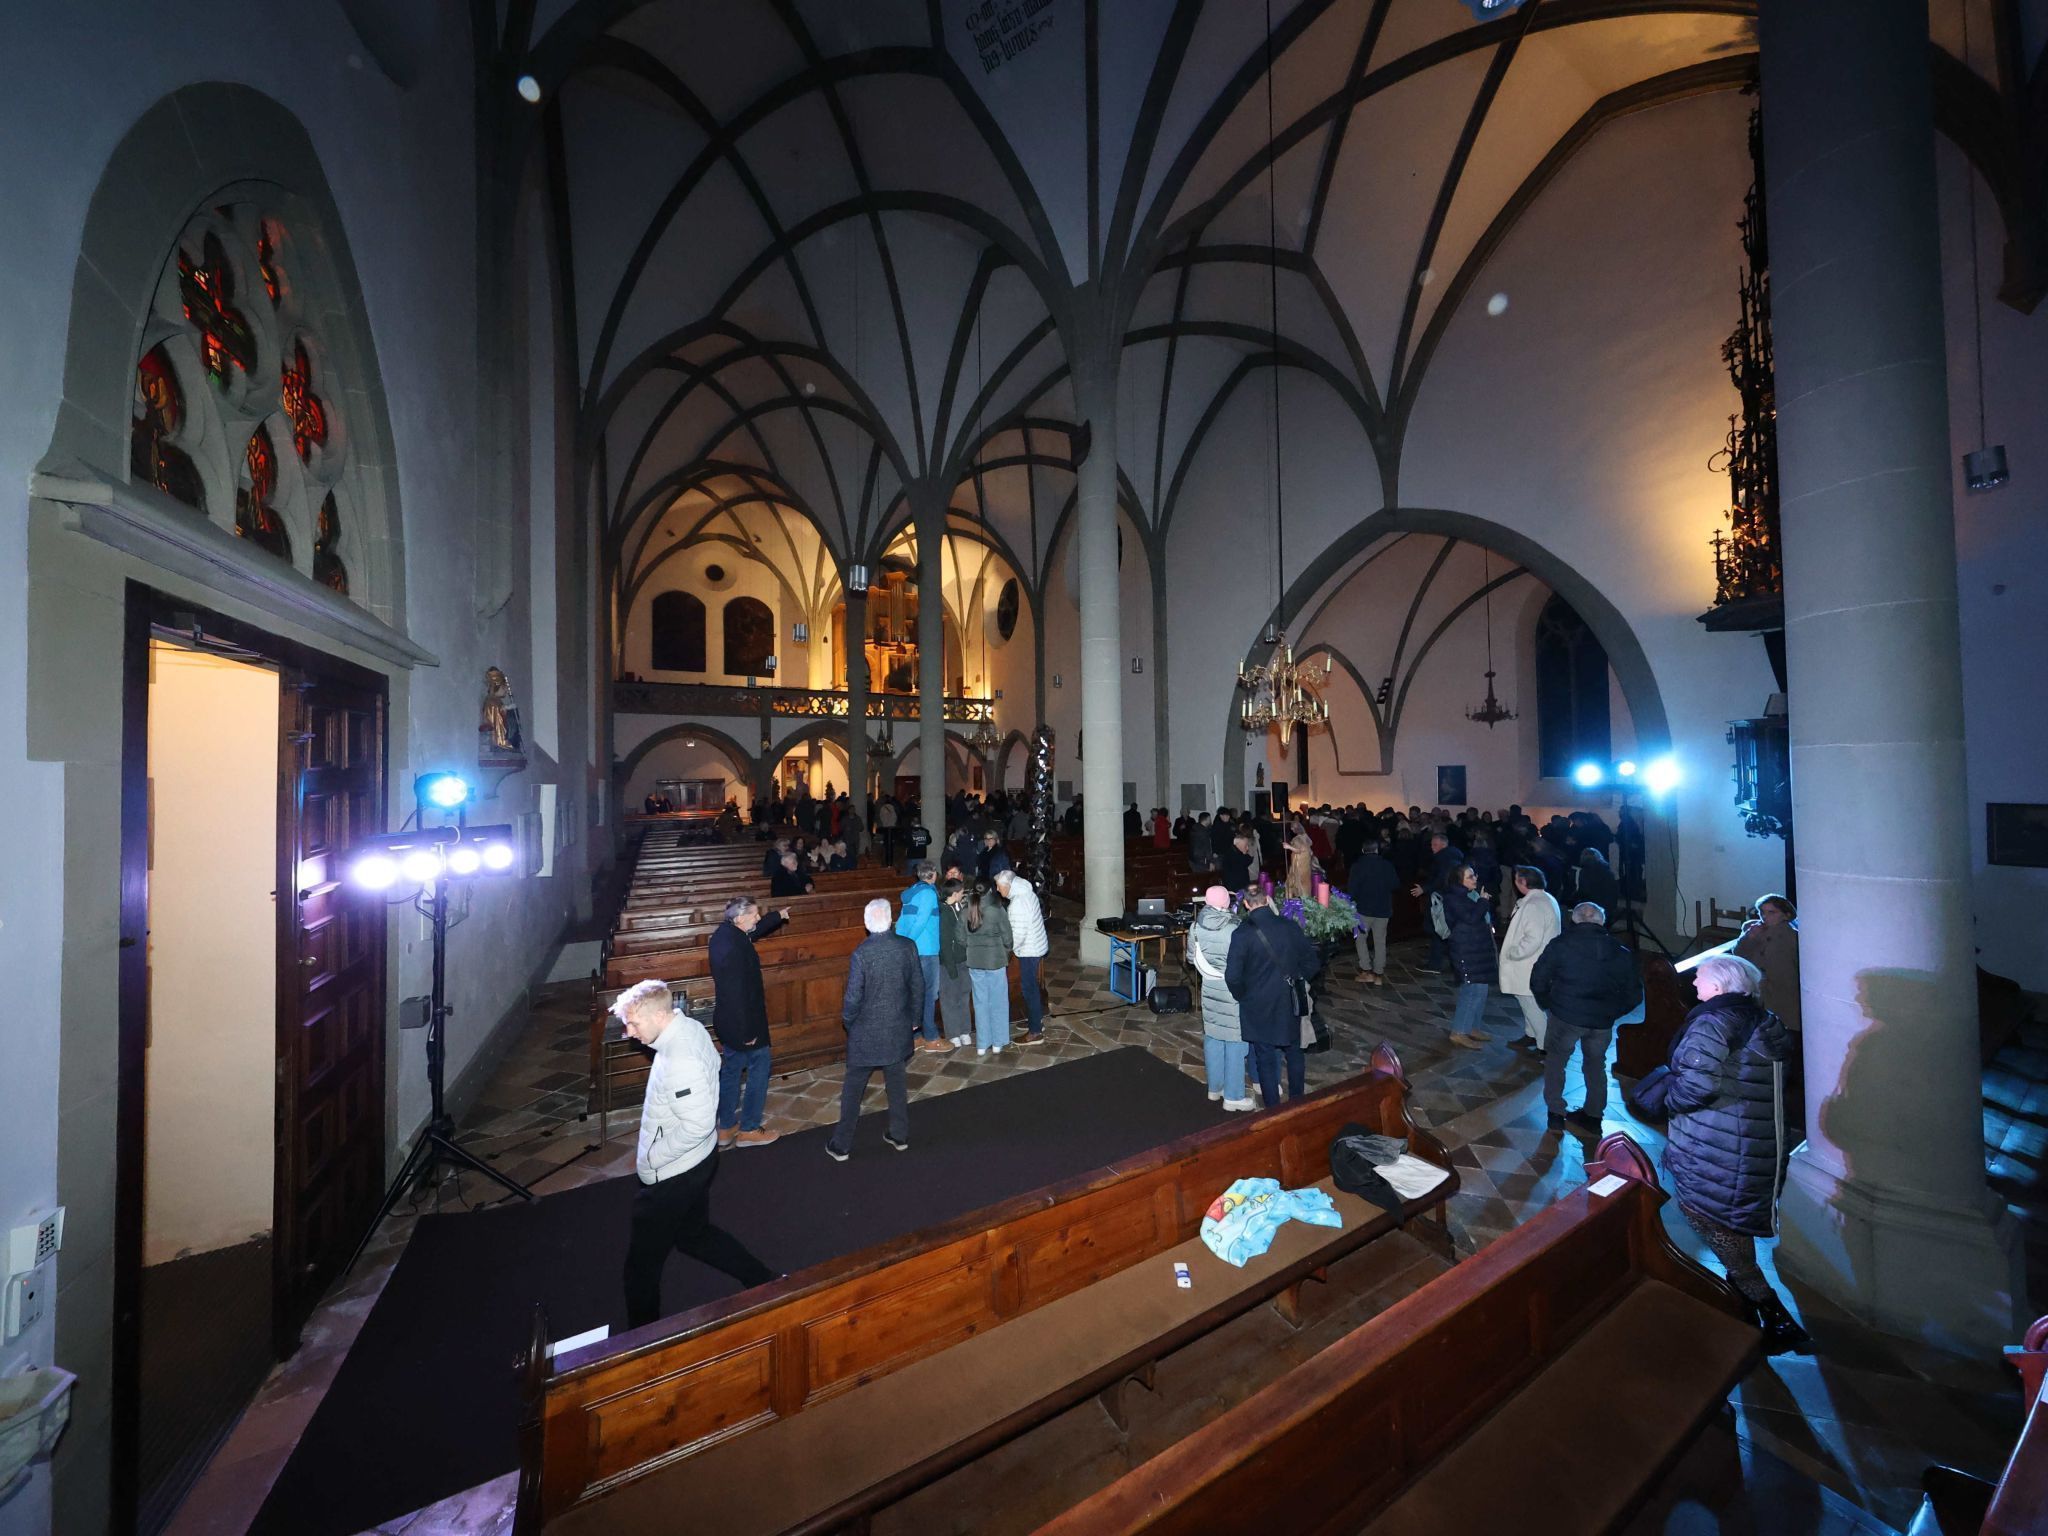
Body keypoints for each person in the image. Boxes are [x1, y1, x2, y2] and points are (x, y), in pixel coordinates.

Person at [1663, 953, 1810, 1355]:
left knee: (1716, 1224)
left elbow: (1696, 1085)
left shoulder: (1715, 1022)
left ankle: (1771, 1313)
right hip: (1750, 1141)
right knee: (1727, 1220)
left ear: (1721, 984)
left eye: (1700, 978)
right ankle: (1743, 1305)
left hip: (1721, 1143)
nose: (1694, 983)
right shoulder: (1763, 1019)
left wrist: (1667, 1099)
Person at [613, 980, 775, 1327]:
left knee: (640, 1269)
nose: (628, 1032)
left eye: (634, 1024)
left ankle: (641, 1344)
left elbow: (697, 1126)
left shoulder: (679, 1059)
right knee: (695, 1236)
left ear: (659, 1015)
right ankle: (765, 1281)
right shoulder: (689, 1026)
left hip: (673, 1174)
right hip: (698, 1162)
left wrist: (652, 1159)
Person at [1529, 901, 1643, 1137]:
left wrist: (1549, 1004)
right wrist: (1611, 1012)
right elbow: (1634, 994)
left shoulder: (1561, 945)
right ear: (1602, 921)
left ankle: (1556, 1113)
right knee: (1595, 1065)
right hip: (1600, 1022)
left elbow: (1538, 979)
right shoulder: (1620, 951)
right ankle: (1593, 1116)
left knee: (1556, 1062)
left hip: (1565, 1016)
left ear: (1575, 919)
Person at [825, 901, 921, 1161]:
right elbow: (918, 986)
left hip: (866, 1031)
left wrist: (848, 1020)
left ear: (867, 924)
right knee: (897, 1083)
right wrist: (915, 1018)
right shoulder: (907, 946)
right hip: (897, 1027)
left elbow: (853, 997)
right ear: (891, 920)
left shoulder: (862, 953)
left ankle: (841, 1145)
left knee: (854, 1088)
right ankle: (899, 1135)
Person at [707, 896, 791, 1148]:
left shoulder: (726, 934)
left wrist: (777, 916)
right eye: (754, 914)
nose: (757, 917)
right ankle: (749, 1129)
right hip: (743, 1023)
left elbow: (753, 933)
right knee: (758, 1069)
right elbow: (737, 993)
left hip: (728, 1021)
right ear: (740, 918)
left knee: (732, 1071)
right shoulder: (735, 948)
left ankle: (725, 1127)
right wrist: (747, 1032)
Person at [1225, 886, 1320, 1106]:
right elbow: (1312, 963)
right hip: (1289, 999)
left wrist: (1243, 996)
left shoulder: (1242, 933)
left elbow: (1232, 976)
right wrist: (1297, 979)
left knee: (1265, 1057)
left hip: (1258, 1004)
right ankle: (1297, 1101)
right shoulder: (1290, 926)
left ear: (1246, 904)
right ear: (1267, 899)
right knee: (1295, 1052)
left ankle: (1272, 1108)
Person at [1185, 886, 1254, 1111]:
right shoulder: (1235, 928)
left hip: (1209, 988)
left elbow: (1190, 958)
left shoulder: (1195, 927)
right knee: (1236, 1039)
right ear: (1226, 903)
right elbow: (1245, 961)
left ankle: (1215, 1088)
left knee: (1213, 1035)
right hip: (1232, 990)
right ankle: (1233, 1096)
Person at [1498, 866, 1562, 1054]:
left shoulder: (1534, 904)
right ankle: (1531, 1034)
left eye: (1517, 879)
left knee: (1532, 1005)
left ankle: (1545, 1046)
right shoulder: (1543, 899)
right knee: (1526, 1001)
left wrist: (1513, 953)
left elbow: (1532, 939)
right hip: (1534, 962)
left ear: (1524, 882)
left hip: (1528, 964)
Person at [1441, 865, 1497, 1051]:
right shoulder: (1452, 898)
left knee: (1481, 989)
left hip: (1476, 950)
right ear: (1459, 880)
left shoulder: (1466, 896)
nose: (1475, 878)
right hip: (1465, 951)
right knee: (1471, 990)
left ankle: (1473, 1027)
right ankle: (1459, 1031)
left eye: (1475, 875)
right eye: (1470, 876)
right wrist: (1482, 902)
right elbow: (1470, 918)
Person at [894, 862, 947, 1052]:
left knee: (915, 994)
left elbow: (902, 921)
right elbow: (921, 921)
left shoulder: (911, 893)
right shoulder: (928, 893)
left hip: (913, 949)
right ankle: (931, 1037)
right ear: (933, 875)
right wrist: (910, 943)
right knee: (929, 994)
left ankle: (915, 1036)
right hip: (926, 950)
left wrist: (903, 942)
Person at [993, 868, 1048, 1043]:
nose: (997, 890)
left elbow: (1018, 935)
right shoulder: (1026, 891)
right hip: (1036, 945)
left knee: (1029, 989)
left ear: (1008, 885)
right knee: (1032, 988)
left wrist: (1006, 953)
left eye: (999, 886)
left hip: (1029, 951)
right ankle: (1035, 1020)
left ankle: (1035, 1032)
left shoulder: (1017, 903)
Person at [1733, 894, 1801, 1034]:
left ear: (1785, 915)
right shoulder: (1753, 929)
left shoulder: (1794, 936)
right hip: (1758, 987)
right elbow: (1739, 954)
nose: (1765, 917)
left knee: (1786, 1025)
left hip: (1784, 989)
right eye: (1762, 912)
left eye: (1771, 912)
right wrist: (1750, 937)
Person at [963, 882, 1014, 1055]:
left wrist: (971, 946)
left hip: (975, 961)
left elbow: (959, 936)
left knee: (980, 1002)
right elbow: (1007, 935)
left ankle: (982, 1044)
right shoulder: (996, 910)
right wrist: (1007, 949)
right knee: (998, 1001)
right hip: (995, 961)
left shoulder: (966, 910)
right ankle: (998, 1042)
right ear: (990, 891)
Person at [1408, 831, 1463, 973]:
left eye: (1435, 845)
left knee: (1438, 929)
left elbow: (1441, 879)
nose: (1432, 848)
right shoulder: (1453, 856)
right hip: (1449, 898)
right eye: (1432, 844)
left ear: (1443, 845)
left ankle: (1435, 964)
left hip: (1442, 899)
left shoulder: (1445, 859)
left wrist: (1425, 888)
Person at [1346, 837, 1397, 984]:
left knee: (1361, 939)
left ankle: (1366, 971)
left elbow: (1352, 889)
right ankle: (1379, 975)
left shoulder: (1357, 866)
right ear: (1377, 850)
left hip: (1363, 910)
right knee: (1380, 941)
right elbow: (1395, 884)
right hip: (1383, 908)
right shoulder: (1387, 865)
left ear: (1363, 850)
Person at [936, 877, 974, 1048]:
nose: (963, 894)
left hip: (963, 960)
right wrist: (950, 967)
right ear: (955, 893)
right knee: (950, 998)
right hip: (948, 963)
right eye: (961, 892)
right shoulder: (944, 913)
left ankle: (965, 1030)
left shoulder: (960, 908)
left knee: (964, 995)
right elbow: (945, 943)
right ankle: (953, 1033)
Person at [1574, 847, 1621, 919]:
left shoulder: (1585, 871)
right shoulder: (1607, 870)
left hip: (1593, 906)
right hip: (1608, 905)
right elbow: (1614, 889)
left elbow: (1584, 891)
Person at [1218, 829, 1257, 893]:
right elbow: (1248, 860)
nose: (1247, 848)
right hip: (1236, 889)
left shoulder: (1233, 852)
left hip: (1238, 887)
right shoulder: (1233, 855)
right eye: (1245, 845)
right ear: (1239, 845)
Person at [875, 796, 899, 865]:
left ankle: (885, 860)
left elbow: (881, 817)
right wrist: (893, 823)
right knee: (891, 844)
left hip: (885, 828)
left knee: (886, 845)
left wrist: (884, 823)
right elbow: (895, 816)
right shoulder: (892, 807)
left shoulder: (882, 808)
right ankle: (890, 861)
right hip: (891, 828)